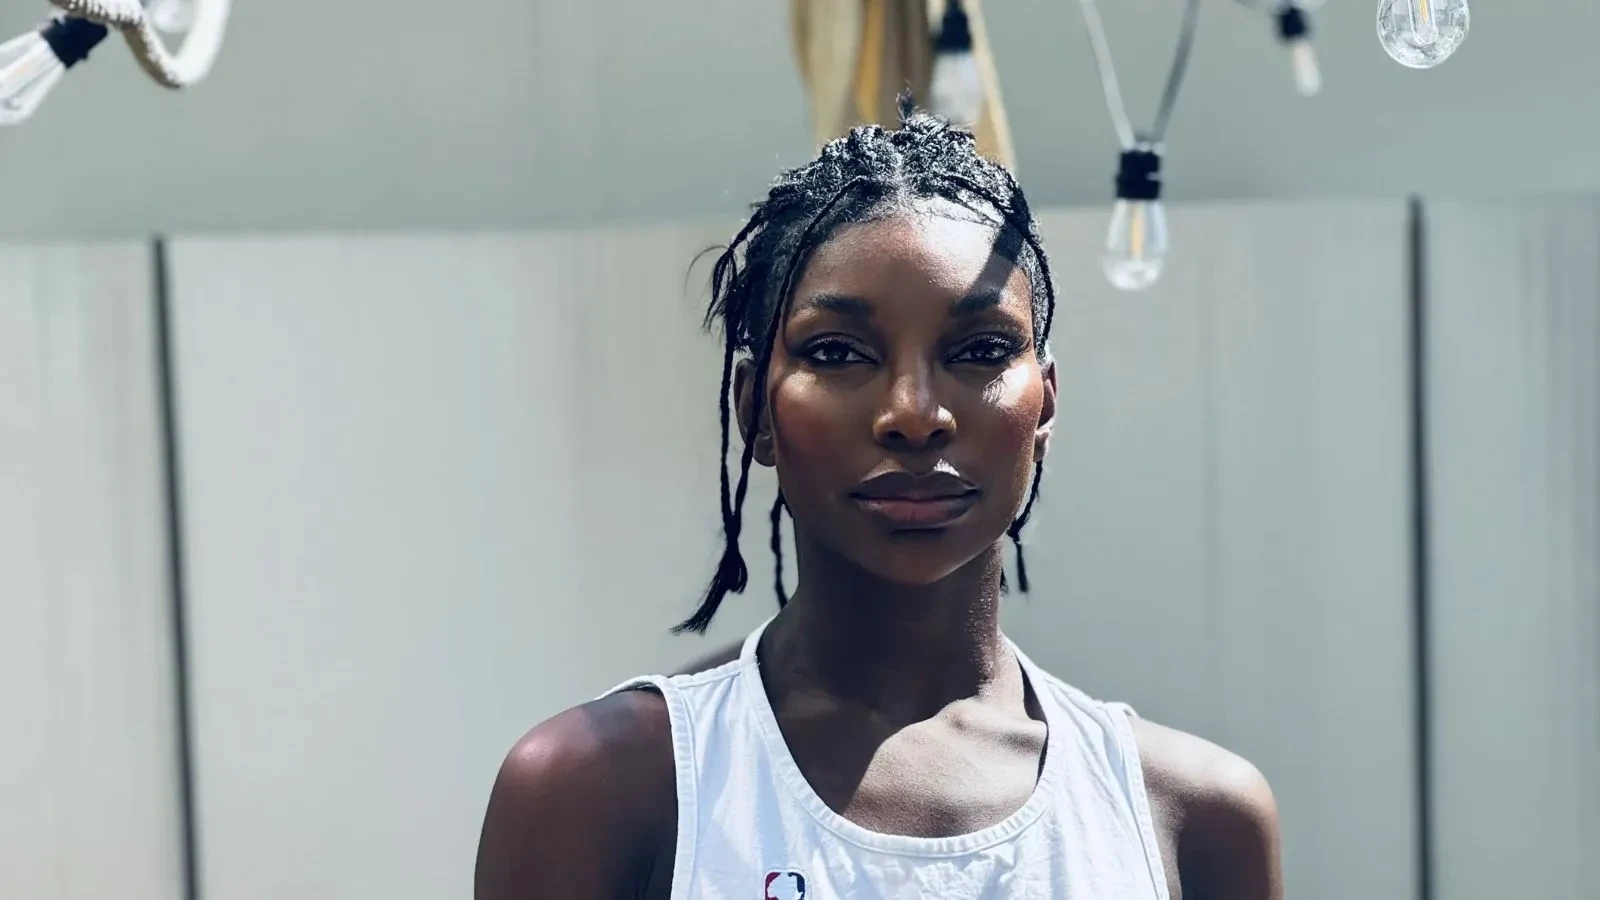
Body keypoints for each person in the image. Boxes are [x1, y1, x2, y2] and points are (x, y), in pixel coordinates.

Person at [474, 103, 1283, 900]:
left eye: (980, 350)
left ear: (1045, 407)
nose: (915, 413)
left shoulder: (1190, 817)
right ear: (754, 407)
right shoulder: (606, 792)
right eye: (837, 353)